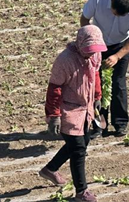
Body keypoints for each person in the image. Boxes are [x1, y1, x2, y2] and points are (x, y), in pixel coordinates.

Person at [40, 25, 108, 202]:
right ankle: (81, 192)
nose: (91, 54)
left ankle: (50, 169)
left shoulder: (96, 55)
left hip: (85, 107)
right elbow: (54, 89)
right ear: (79, 44)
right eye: (88, 50)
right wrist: (54, 116)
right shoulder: (65, 60)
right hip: (67, 109)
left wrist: (97, 96)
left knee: (83, 141)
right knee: (78, 149)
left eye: (94, 50)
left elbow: (96, 74)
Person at [80, 0, 129, 137]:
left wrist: (117, 56)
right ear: (111, 4)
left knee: (117, 83)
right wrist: (90, 42)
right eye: (115, 13)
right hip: (98, 44)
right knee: (97, 86)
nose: (116, 16)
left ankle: (120, 124)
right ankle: (98, 126)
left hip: (121, 45)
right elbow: (84, 19)